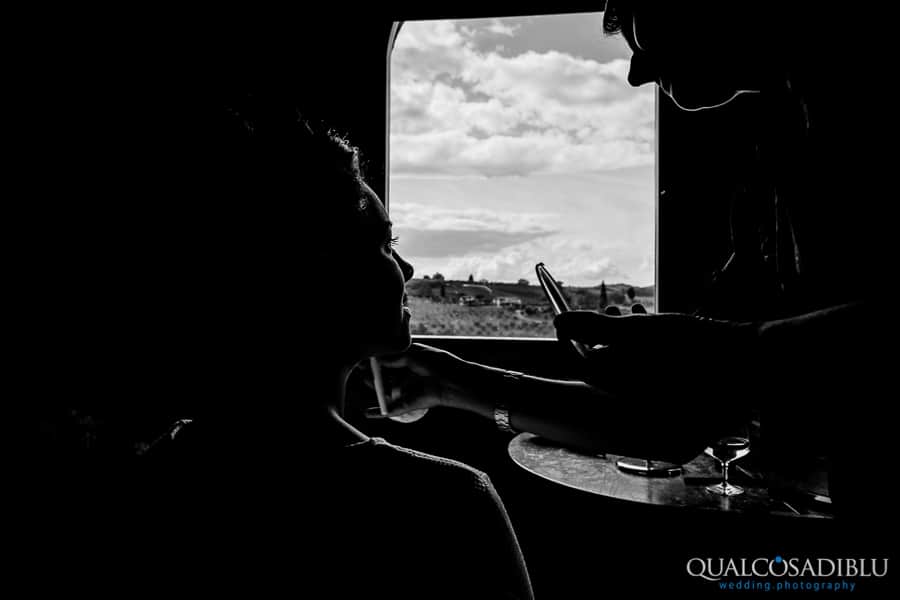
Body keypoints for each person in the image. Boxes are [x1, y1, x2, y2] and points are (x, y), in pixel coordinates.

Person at [366, 1, 889, 519]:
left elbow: (699, 392)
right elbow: (672, 422)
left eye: (646, 32)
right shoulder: (769, 157)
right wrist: (445, 379)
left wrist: (723, 350)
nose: (637, 72)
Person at [61, 97, 534, 600]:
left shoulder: (138, 488)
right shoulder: (451, 506)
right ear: (319, 276)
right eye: (382, 244)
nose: (408, 269)